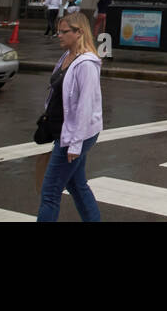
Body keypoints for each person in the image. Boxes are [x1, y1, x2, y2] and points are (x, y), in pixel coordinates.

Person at [38, 12, 103, 222]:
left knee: (49, 192)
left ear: (79, 33)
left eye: (64, 31)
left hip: (75, 134)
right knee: (76, 185)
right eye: (58, 31)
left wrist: (75, 144)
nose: (59, 35)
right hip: (65, 131)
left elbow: (86, 106)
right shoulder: (67, 56)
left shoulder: (86, 64)